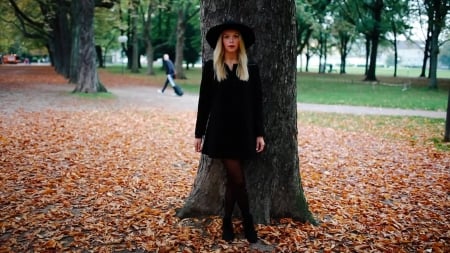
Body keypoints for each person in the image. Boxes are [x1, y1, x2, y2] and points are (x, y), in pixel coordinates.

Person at [194, 20, 265, 243]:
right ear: (221, 41)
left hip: (244, 131)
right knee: (238, 179)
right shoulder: (211, 67)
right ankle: (247, 221)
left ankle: (227, 221)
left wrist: (259, 133)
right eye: (227, 37)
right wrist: (199, 133)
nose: (231, 41)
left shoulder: (250, 68)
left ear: (240, 41)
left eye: (235, 37)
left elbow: (257, 104)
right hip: (220, 132)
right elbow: (204, 102)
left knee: (235, 182)